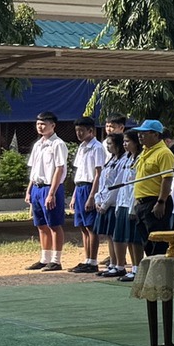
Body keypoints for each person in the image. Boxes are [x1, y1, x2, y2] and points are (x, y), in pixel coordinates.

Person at [25, 112, 69, 271]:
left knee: (54, 224)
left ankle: (56, 260)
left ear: (53, 125)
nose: (40, 126)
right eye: (38, 124)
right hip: (37, 187)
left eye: (44, 124)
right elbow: (34, 169)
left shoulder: (57, 144)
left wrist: (51, 193)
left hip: (51, 187)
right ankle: (45, 258)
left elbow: (59, 168)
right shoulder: (38, 144)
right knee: (41, 224)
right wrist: (29, 190)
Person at [128, 119, 174, 260]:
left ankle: (161, 275)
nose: (140, 136)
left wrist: (161, 201)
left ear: (156, 135)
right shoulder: (144, 152)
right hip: (142, 203)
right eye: (140, 133)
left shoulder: (164, 153)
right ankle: (154, 272)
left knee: (158, 242)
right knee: (147, 242)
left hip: (155, 201)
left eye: (144, 133)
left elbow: (166, 179)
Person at [94, 128, 135, 278]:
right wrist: (98, 199)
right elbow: (102, 182)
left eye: (111, 143)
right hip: (104, 201)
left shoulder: (125, 159)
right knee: (110, 236)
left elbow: (117, 185)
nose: (108, 146)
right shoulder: (111, 159)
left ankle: (120, 264)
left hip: (112, 202)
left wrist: (105, 204)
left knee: (117, 235)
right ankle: (113, 263)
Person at [67, 117, 106, 273]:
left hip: (90, 187)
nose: (79, 134)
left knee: (91, 226)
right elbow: (79, 172)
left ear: (91, 130)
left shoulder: (97, 148)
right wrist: (75, 195)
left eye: (82, 130)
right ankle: (86, 259)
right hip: (80, 187)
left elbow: (98, 173)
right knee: (82, 226)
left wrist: (92, 196)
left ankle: (93, 261)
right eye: (77, 131)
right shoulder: (82, 147)